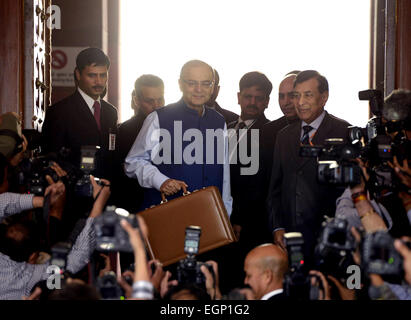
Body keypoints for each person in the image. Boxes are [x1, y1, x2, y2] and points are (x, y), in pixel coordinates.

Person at [124, 59, 232, 214]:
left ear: (213, 86)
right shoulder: (158, 118)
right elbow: (132, 163)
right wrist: (161, 181)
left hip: (210, 215)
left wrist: (226, 213)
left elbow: (224, 174)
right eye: (192, 83)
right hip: (168, 215)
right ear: (180, 84)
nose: (199, 89)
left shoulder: (219, 120)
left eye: (206, 83)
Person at [266, 70, 350, 266]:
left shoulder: (344, 132)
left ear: (324, 97)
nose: (300, 102)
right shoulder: (284, 136)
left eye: (308, 95)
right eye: (297, 95)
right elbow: (275, 189)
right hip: (290, 240)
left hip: (329, 240)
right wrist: (277, 227)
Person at [0, 175, 111, 299]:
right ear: (32, 256)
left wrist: (45, 201)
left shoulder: (25, 279)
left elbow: (77, 257)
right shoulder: (26, 279)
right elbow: (78, 257)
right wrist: (99, 202)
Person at [42, 47, 118, 180]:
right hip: (73, 190)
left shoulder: (111, 112)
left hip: (107, 190)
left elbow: (112, 152)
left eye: (103, 75)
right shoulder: (59, 112)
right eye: (92, 75)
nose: (99, 82)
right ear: (78, 74)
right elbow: (51, 157)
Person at [228, 71, 272, 249]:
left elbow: (260, 184)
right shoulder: (225, 128)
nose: (252, 102)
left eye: (259, 98)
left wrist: (240, 219)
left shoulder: (271, 133)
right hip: (220, 216)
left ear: (267, 101)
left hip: (251, 224)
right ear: (239, 97)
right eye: (248, 96)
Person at [113, 75, 165, 212]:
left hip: (165, 200)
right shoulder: (122, 132)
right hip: (133, 203)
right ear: (136, 100)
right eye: (150, 101)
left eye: (160, 99)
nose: (157, 105)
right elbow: (122, 171)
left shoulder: (174, 126)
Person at [261, 71, 300, 187]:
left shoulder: (333, 128)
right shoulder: (268, 131)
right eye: (281, 96)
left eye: (292, 95)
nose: (286, 102)